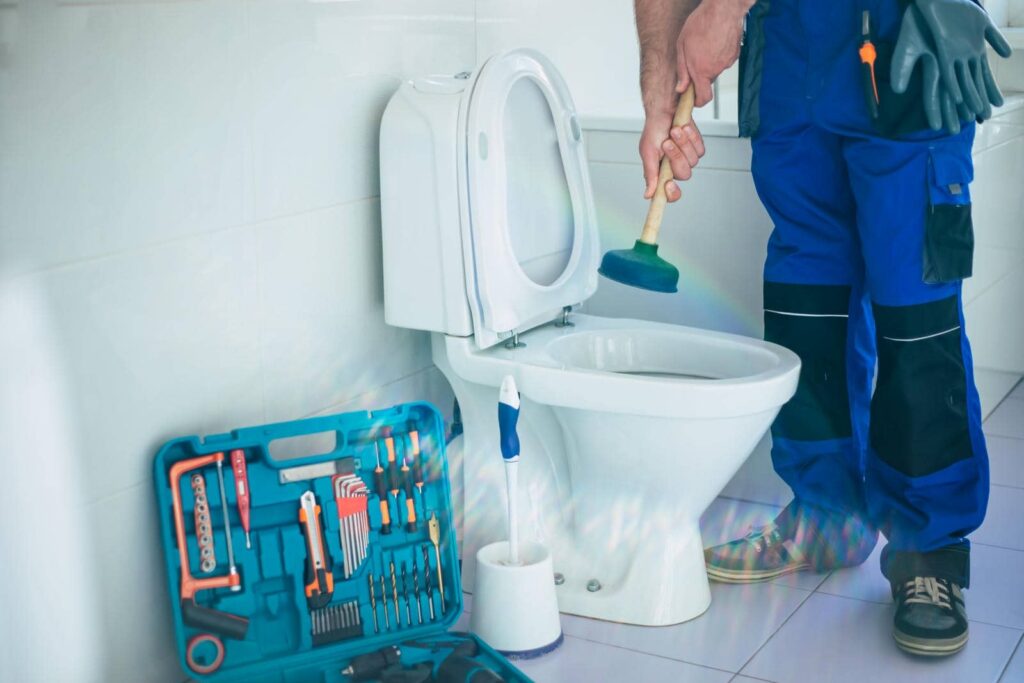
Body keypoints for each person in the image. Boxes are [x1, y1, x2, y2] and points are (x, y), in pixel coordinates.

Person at [634, 0, 1012, 657]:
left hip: (901, 37)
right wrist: (660, 86)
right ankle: (824, 513)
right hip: (789, 57)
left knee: (911, 304)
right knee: (805, 303)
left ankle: (928, 547)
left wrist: (722, 8)